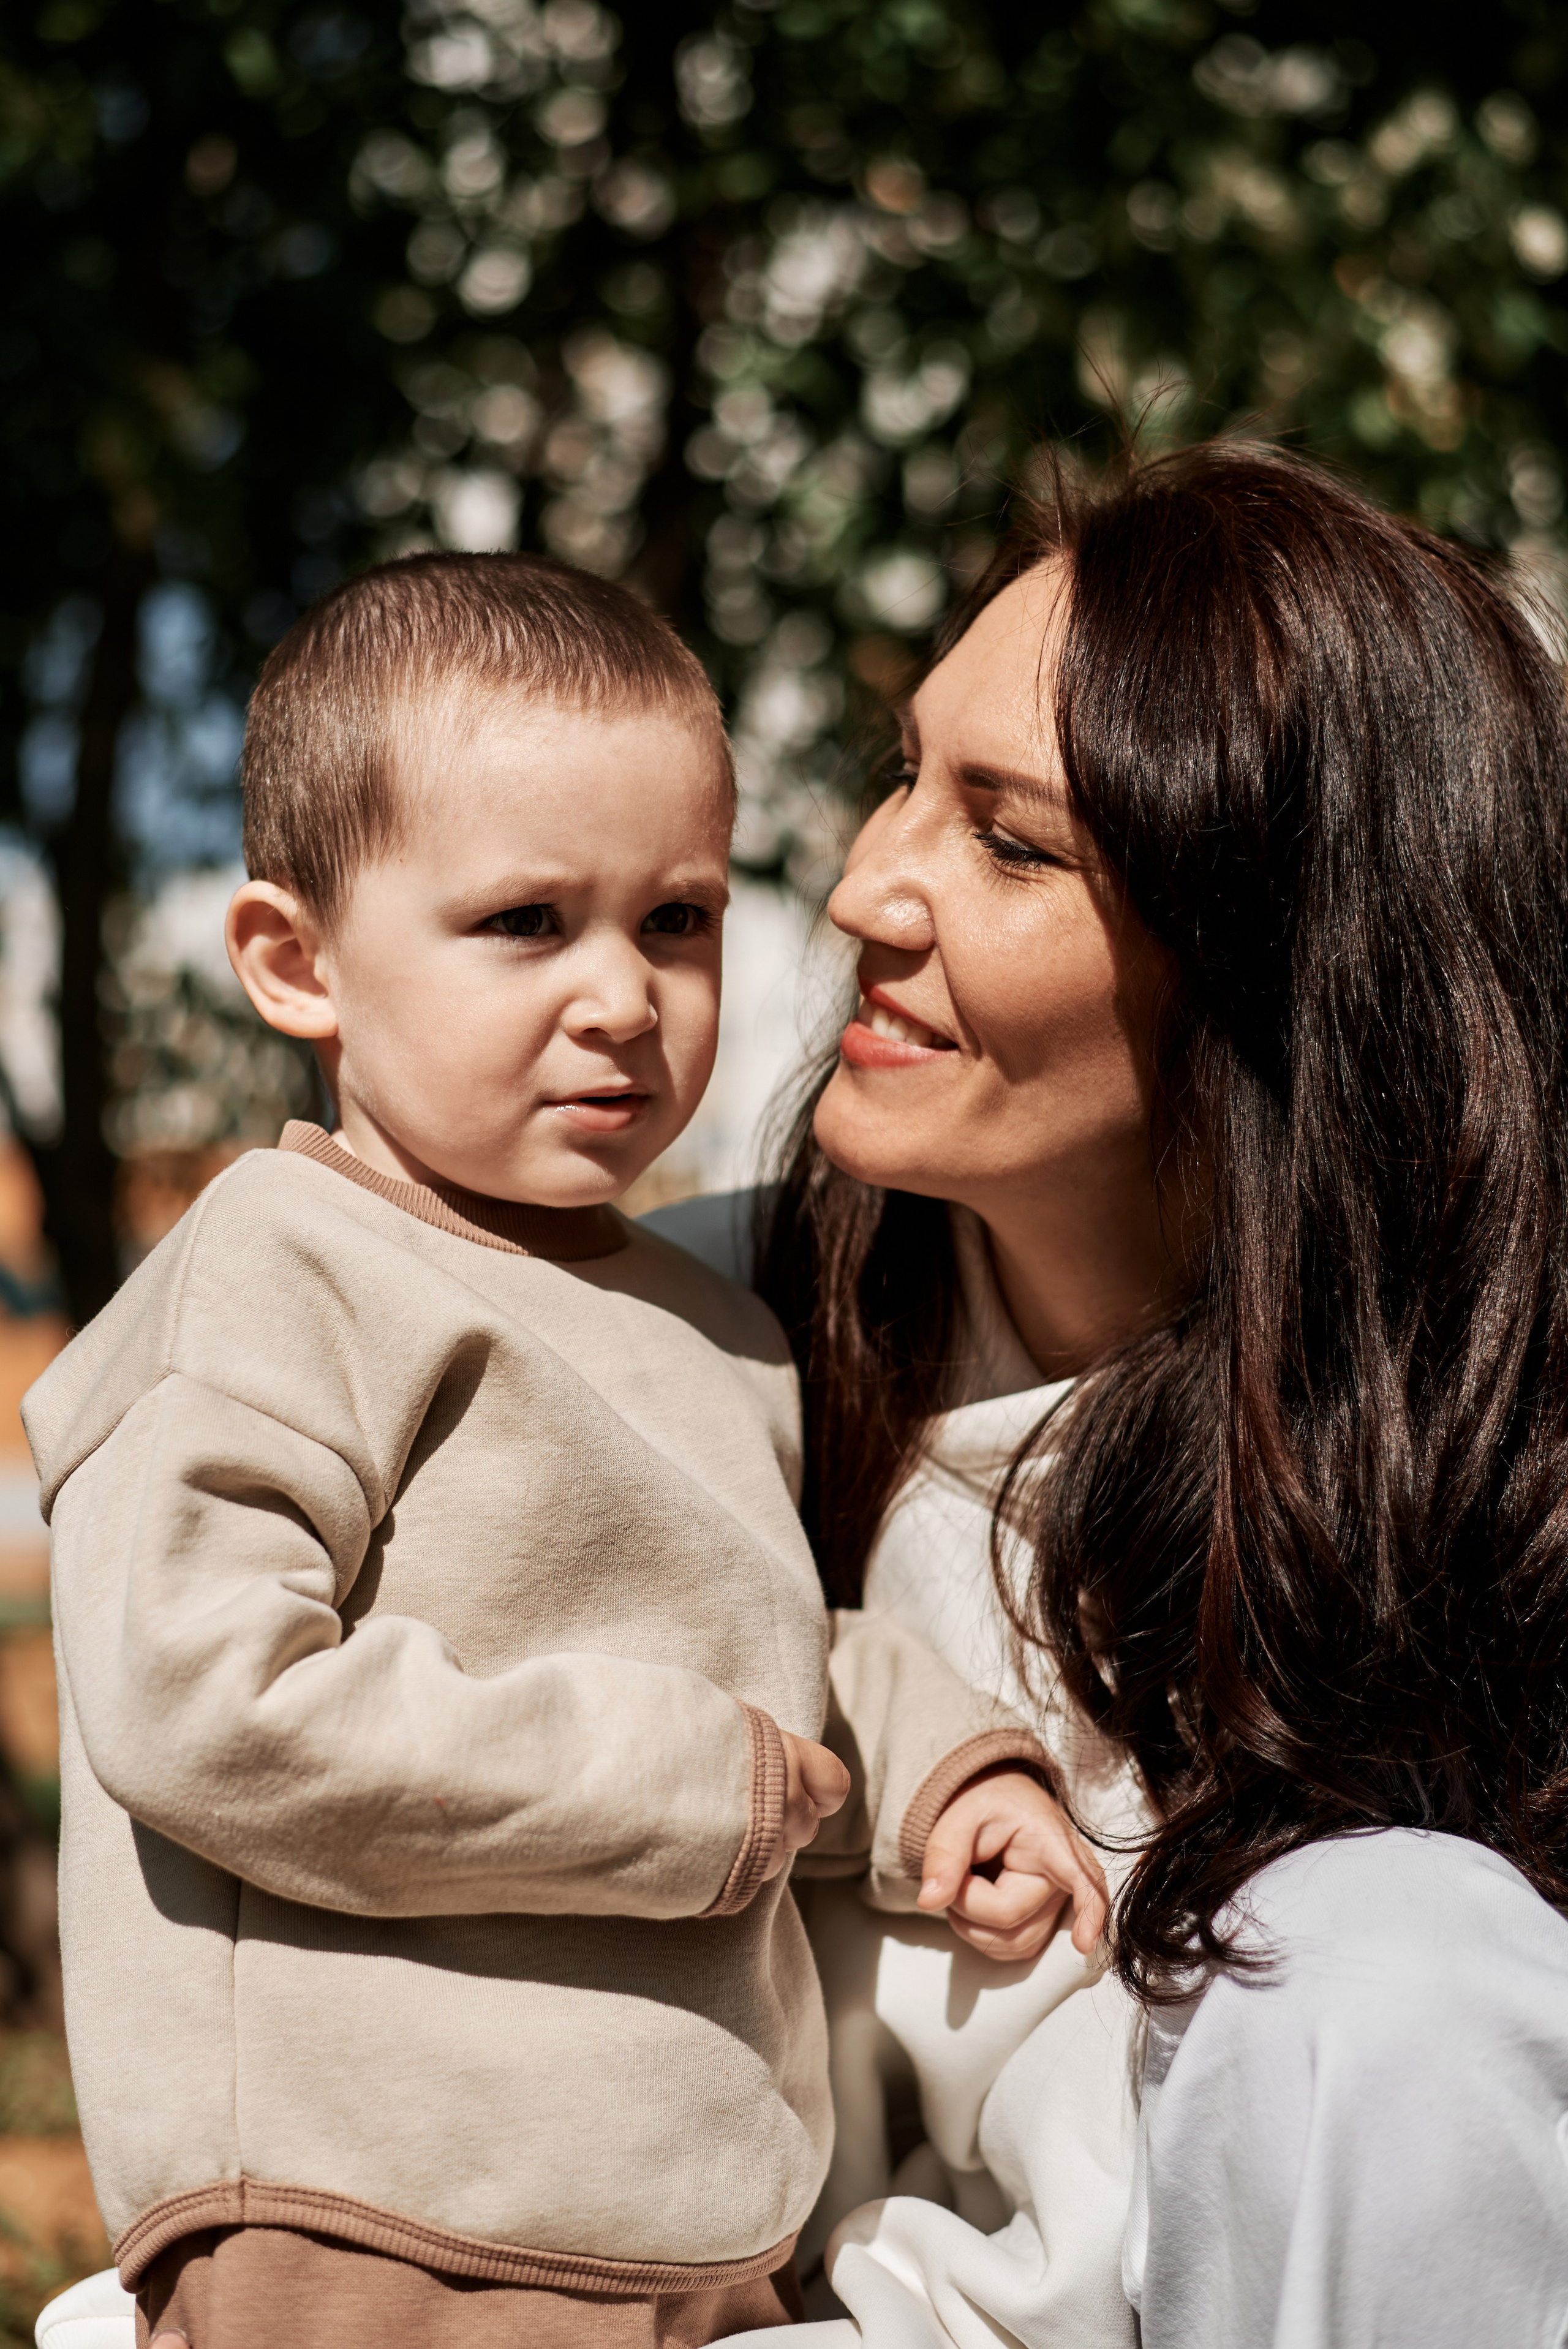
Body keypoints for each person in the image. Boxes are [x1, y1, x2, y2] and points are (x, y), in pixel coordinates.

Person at [25, 552, 1107, 2349]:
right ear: (296, 964)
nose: (622, 994)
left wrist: (937, 1775)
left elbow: (749, 1653)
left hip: (674, 2221)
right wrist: (695, 1792)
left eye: (674, 919)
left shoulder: (701, 1315)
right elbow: (204, 1696)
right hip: (387, 2208)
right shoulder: (281, 1268)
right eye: (528, 922)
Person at [685, 440, 1568, 2348]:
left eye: (1009, 840)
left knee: (1393, 1960)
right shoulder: (669, 1338)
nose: (861, 888)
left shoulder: (1495, 1469)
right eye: (904, 775)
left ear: (1282, 972)